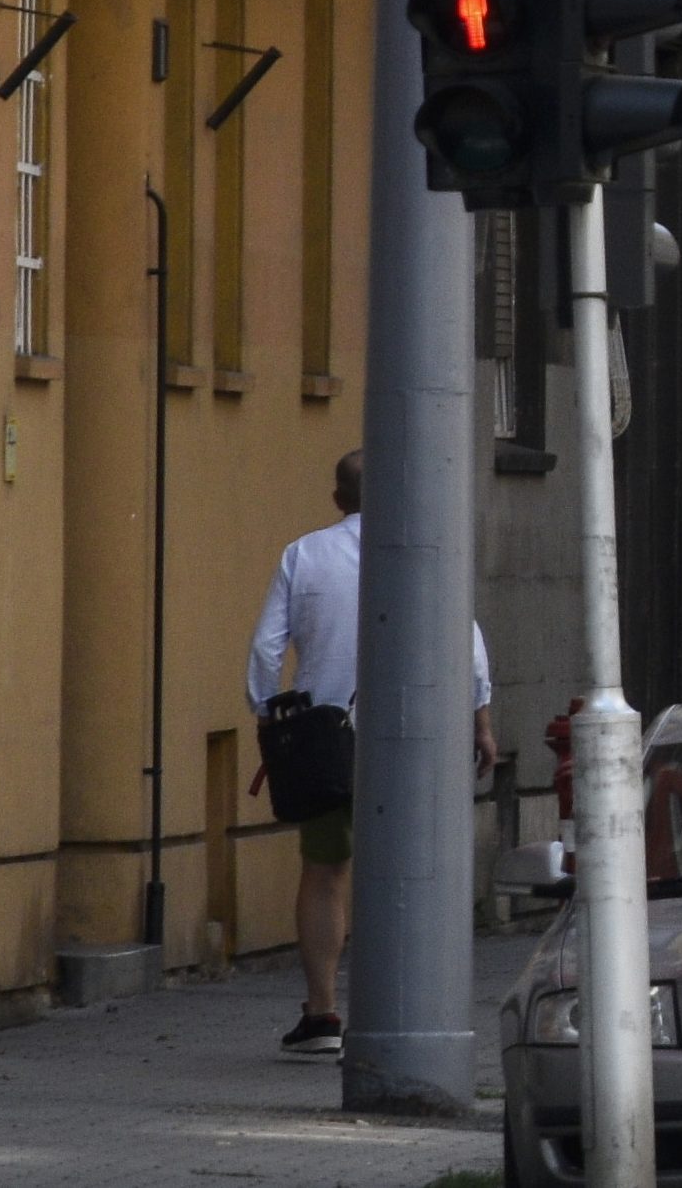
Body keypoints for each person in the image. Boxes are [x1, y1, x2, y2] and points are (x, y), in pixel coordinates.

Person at [246, 451, 493, 1057]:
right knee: (409, 877)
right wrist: (480, 722)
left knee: (326, 873)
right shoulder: (428, 555)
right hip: (416, 742)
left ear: (338, 499)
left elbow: (264, 651)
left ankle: (324, 1014)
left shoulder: (302, 556)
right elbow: (470, 649)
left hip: (328, 745)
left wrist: (270, 718)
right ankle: (412, 1009)